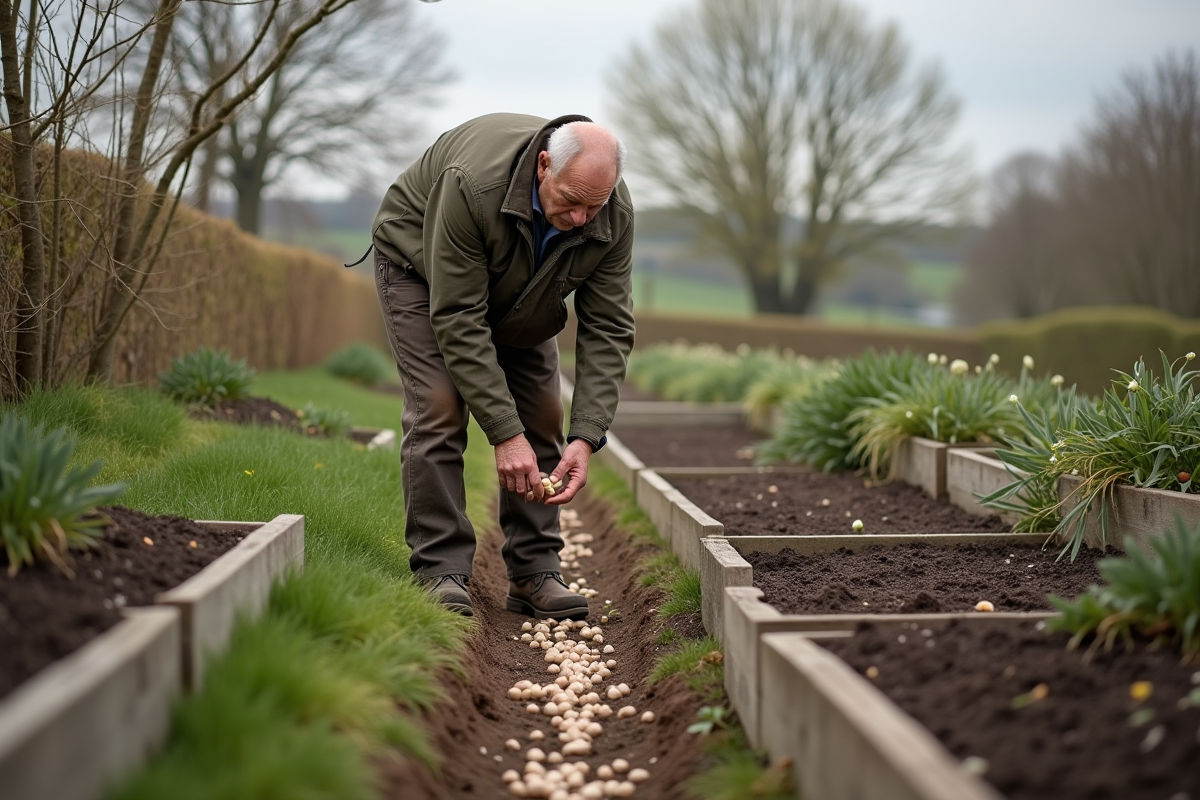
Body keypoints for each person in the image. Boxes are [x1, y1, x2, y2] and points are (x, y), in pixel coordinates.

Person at [368, 114, 635, 620]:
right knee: (440, 407)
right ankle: (440, 570)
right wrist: (501, 432)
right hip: (421, 270)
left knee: (541, 412)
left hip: (524, 289)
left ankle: (535, 571)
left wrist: (587, 435)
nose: (581, 219)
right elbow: (459, 315)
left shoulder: (611, 213)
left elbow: (609, 328)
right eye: (571, 201)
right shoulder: (472, 184)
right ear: (543, 167)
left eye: (593, 207)